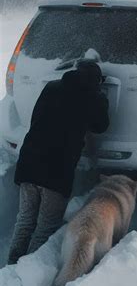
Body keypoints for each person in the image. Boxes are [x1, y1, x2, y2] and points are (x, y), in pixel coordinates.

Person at [8, 60, 109, 264]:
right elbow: (101, 126)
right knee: (46, 226)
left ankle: (12, 264)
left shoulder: (51, 87)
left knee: (25, 220)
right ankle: (28, 270)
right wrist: (103, 100)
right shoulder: (92, 97)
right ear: (96, 82)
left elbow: (37, 116)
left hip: (29, 163)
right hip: (56, 170)